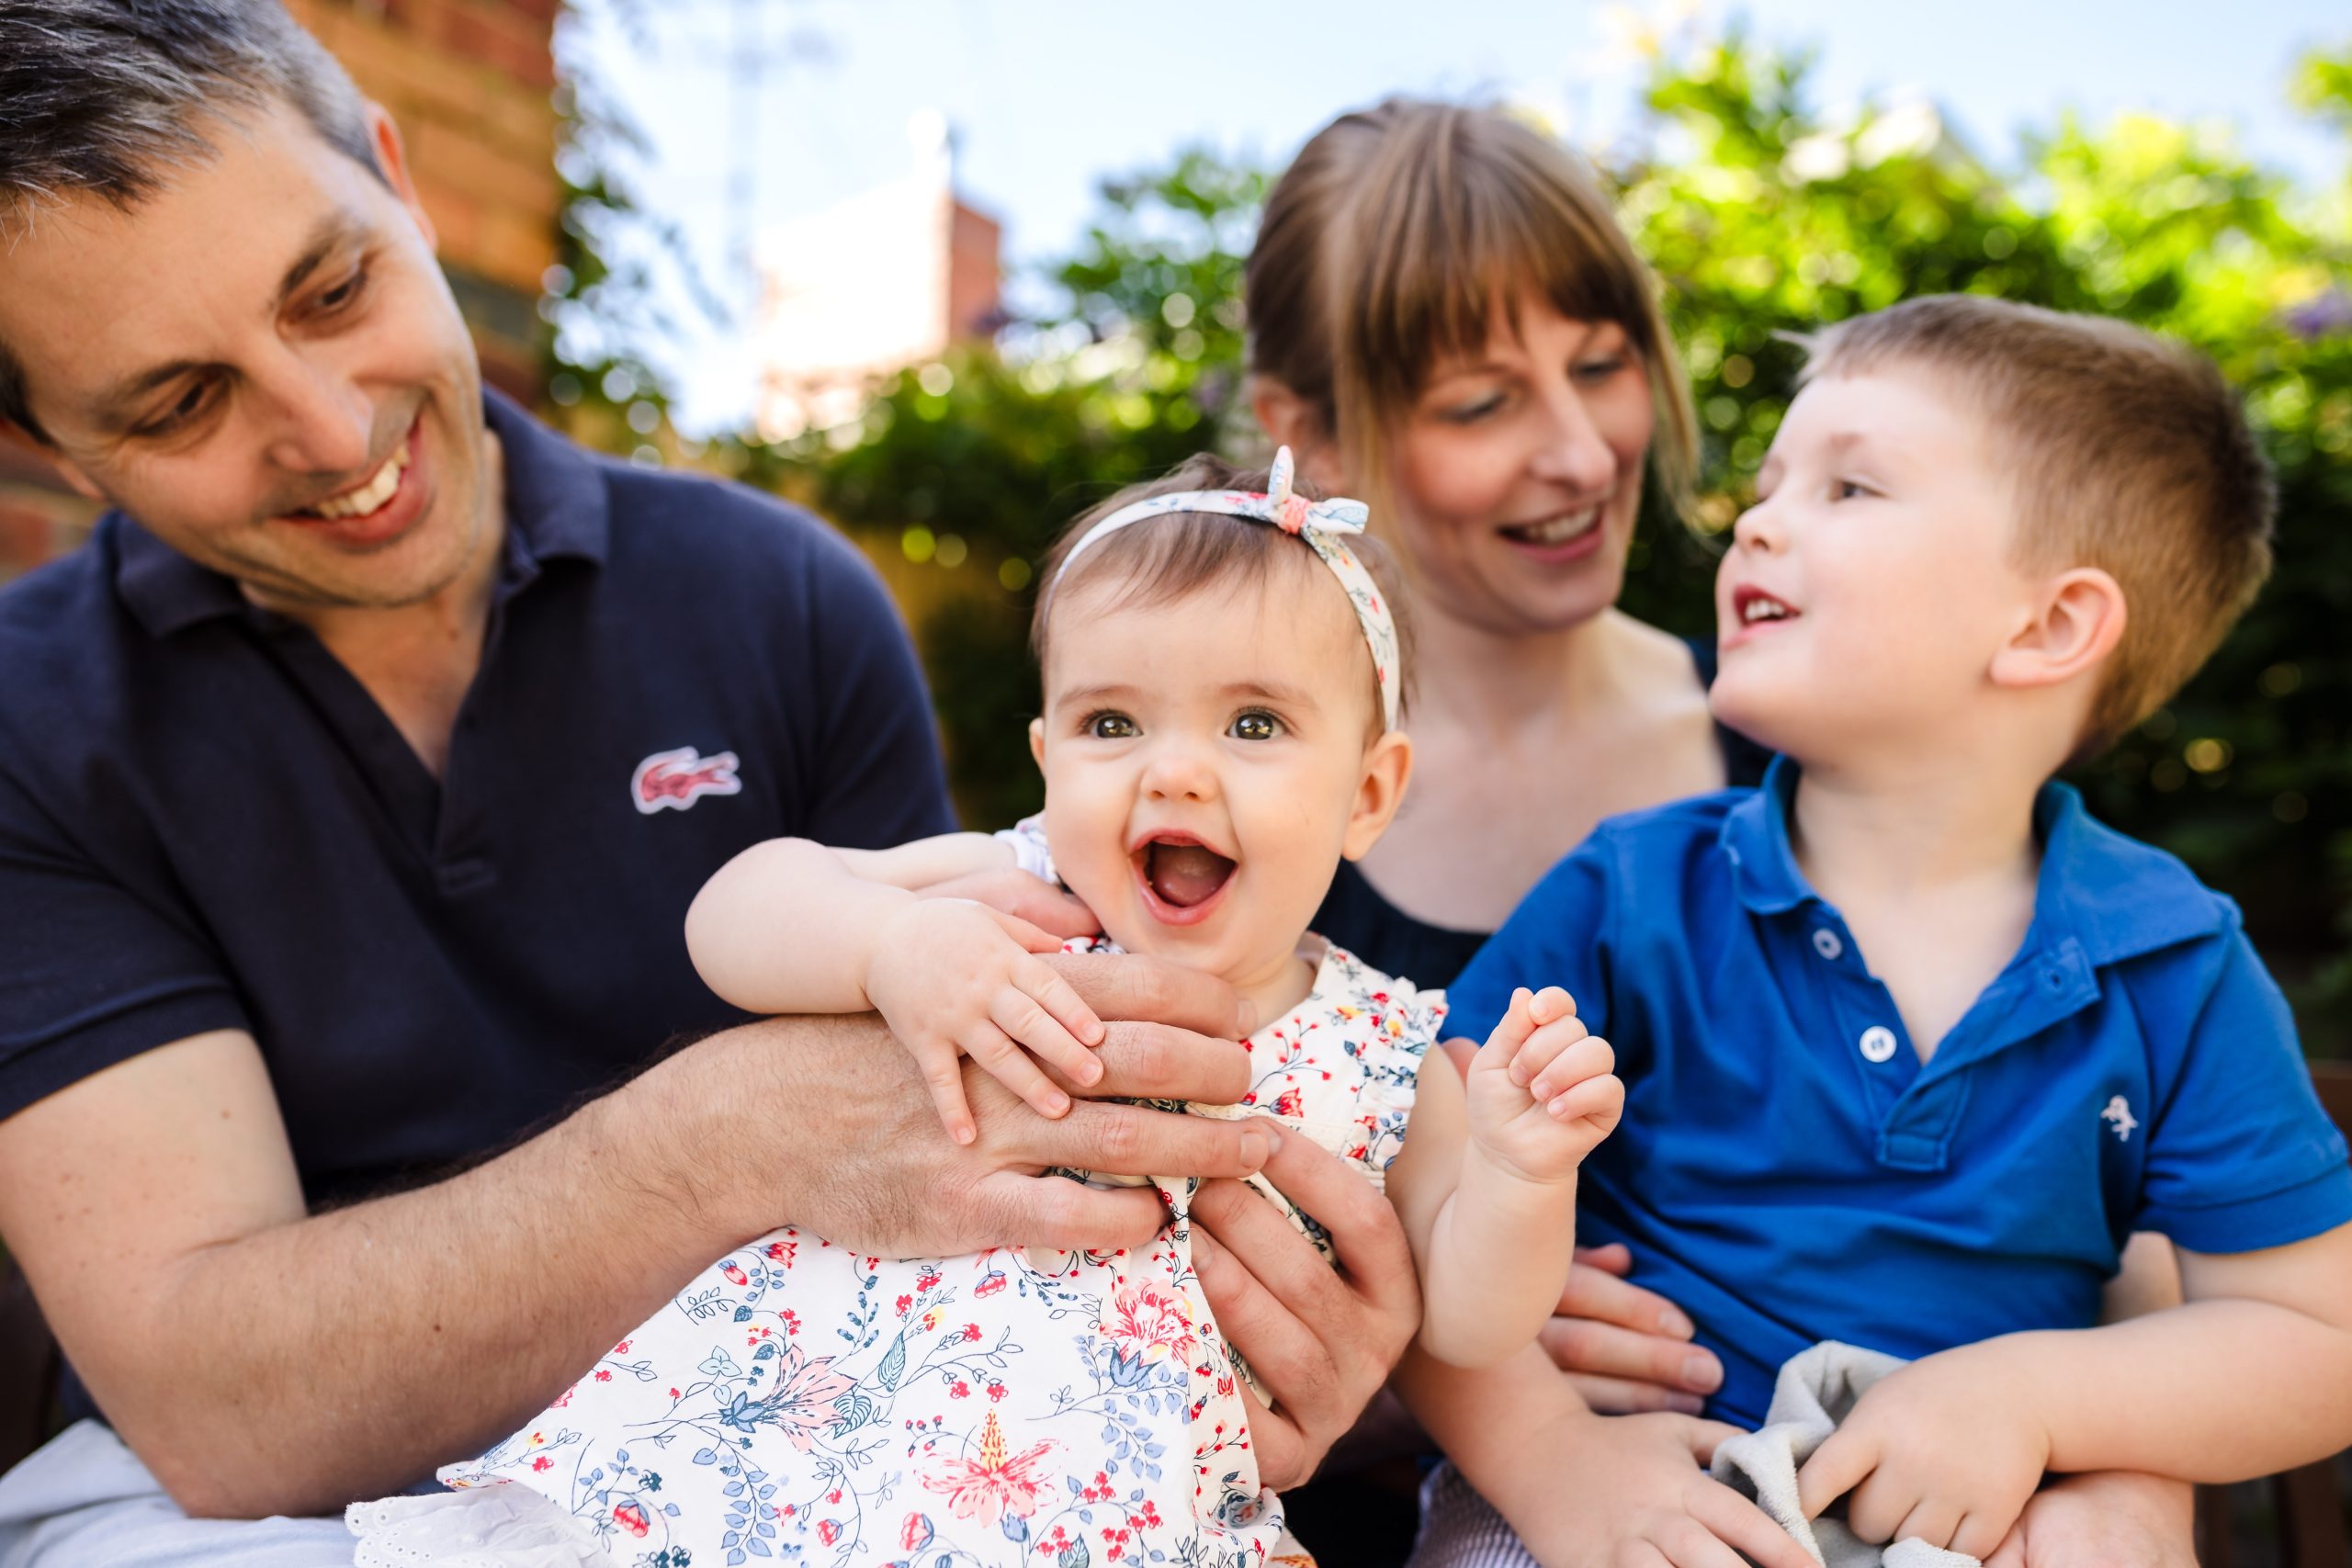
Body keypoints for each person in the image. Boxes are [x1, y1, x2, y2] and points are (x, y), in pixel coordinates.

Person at [0, 7, 1417, 1563]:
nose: (333, 429)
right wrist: (712, 1141)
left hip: (817, 1445)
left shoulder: (780, 595)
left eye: (335, 288)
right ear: (52, 445)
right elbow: (221, 1419)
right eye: (180, 402)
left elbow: (985, 1160)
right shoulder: (27, 725)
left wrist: (1306, 1349)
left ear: (395, 179)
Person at [343, 452, 1625, 1566]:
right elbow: (732, 910)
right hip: (809, 1461)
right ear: (1049, 758)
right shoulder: (1005, 898)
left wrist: (1520, 1175)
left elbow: (1465, 1316)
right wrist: (890, 943)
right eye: (1113, 721)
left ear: (1367, 792)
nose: (1173, 767)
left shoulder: (1385, 1047)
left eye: (1252, 723)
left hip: (1119, 1522)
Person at [1242, 99, 2204, 1567]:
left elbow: (2092, 1200)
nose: (1578, 452)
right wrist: (1453, 1338)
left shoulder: (1833, 733)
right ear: (1302, 433)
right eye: (1481, 402)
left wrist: (2121, 1475)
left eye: (1602, 365)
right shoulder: (1217, 815)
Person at [1415, 294, 2352, 1564]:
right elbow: (1410, 1189)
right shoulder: (1630, 896)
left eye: (1849, 489)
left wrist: (2034, 1399)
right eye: (1770, 482)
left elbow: (2313, 1342)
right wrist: (1556, 1465)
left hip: (1973, 1519)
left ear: (2049, 626)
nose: (1757, 521)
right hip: (1629, 1495)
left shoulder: (2173, 960)